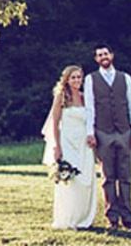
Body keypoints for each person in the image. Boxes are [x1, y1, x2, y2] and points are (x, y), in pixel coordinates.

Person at [84, 44, 131, 231]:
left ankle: (127, 217)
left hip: (125, 132)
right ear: (96, 59)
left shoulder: (125, 78)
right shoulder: (90, 79)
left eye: (106, 53)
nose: (103, 57)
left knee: (125, 177)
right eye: (99, 55)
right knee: (108, 178)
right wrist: (90, 132)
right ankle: (112, 218)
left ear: (112, 55)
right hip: (102, 132)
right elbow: (89, 108)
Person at [41, 64, 98, 229]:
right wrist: (57, 147)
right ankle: (69, 218)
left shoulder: (84, 97)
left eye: (79, 77)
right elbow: (55, 123)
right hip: (67, 142)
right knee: (72, 180)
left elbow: (90, 120)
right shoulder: (61, 97)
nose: (76, 80)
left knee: (86, 179)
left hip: (84, 144)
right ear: (66, 79)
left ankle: (84, 218)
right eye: (73, 77)